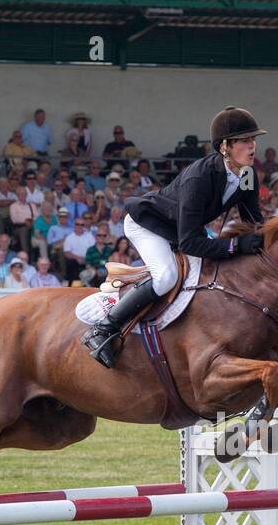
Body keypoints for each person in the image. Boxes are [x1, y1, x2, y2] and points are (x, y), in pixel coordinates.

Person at [82, 105, 266, 368]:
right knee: (166, 276)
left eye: (254, 140)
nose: (253, 146)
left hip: (180, 227)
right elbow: (189, 242)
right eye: (246, 140)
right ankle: (103, 328)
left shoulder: (247, 175)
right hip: (146, 224)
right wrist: (236, 244)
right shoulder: (199, 178)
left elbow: (253, 220)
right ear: (225, 146)